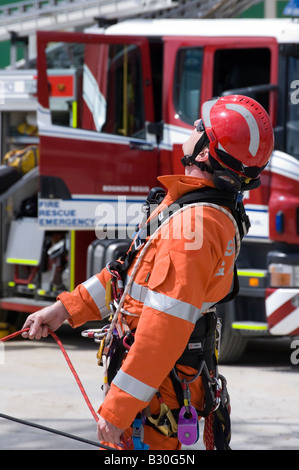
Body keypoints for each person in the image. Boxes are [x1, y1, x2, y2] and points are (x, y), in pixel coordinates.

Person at [22, 95, 274, 450]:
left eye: (201, 128)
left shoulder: (194, 227)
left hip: (156, 399)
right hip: (160, 387)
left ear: (204, 152)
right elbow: (127, 276)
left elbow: (163, 331)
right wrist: (63, 310)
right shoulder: (193, 207)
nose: (193, 128)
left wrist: (117, 410)